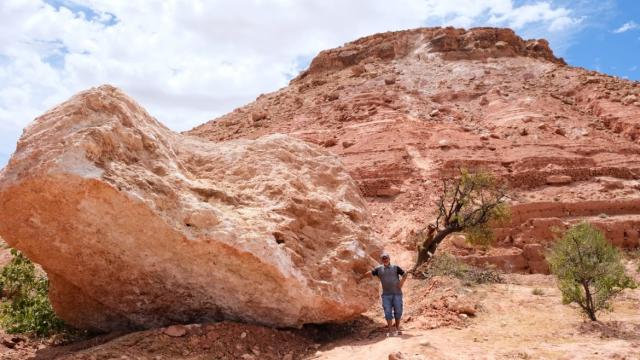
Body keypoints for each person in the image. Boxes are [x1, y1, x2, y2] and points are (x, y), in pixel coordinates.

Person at [359, 252, 408, 336]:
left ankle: (397, 328)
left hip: (397, 294)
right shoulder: (379, 269)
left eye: (386, 258)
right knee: (387, 312)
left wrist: (401, 283)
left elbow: (405, 274)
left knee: (398, 311)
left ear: (389, 259)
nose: (385, 260)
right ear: (382, 260)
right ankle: (390, 331)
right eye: (383, 259)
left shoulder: (395, 268)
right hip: (386, 295)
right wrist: (360, 278)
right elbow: (370, 273)